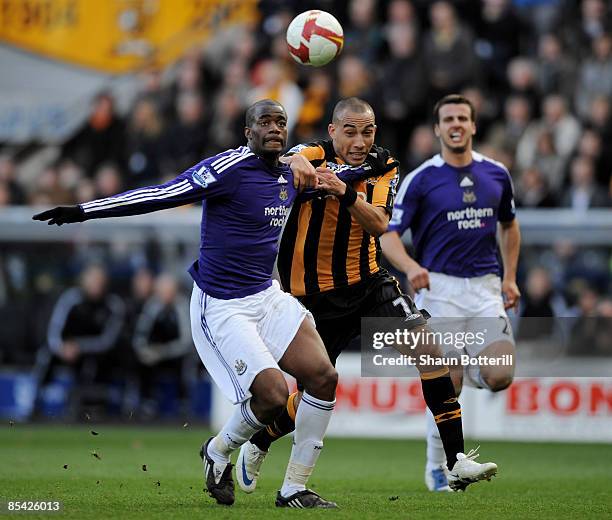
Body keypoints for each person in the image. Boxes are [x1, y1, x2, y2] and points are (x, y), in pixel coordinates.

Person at [34, 99, 387, 509]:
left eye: (281, 123)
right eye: (265, 122)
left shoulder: (293, 173)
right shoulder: (227, 170)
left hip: (266, 294)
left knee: (324, 377)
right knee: (273, 396)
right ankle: (218, 451)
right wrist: (83, 210)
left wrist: (371, 164)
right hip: (222, 304)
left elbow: (345, 174)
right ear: (247, 132)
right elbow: (162, 194)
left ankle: (294, 488)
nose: (274, 129)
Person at [237, 97, 498, 494]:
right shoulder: (313, 153)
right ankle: (260, 441)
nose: (360, 140)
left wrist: (341, 190)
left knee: (430, 354)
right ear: (332, 131)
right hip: (313, 300)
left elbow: (379, 223)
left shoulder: (384, 165)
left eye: (368, 131)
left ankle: (455, 461)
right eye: (351, 131)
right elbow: (285, 156)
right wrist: (296, 161)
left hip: (370, 287)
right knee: (309, 394)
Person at [380, 94, 521, 491]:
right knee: (448, 384)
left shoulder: (496, 174)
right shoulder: (422, 178)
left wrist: (510, 278)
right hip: (439, 290)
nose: (456, 124)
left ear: (473, 126)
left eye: (463, 117)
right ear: (438, 129)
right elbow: (388, 235)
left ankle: (458, 371)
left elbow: (510, 226)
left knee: (499, 376)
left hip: (484, 289)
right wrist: (410, 267)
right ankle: (438, 467)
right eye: (448, 119)